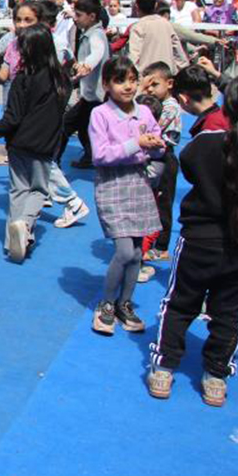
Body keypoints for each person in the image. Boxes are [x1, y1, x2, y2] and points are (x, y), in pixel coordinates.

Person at [147, 76, 238, 406]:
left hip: (199, 239)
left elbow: (191, 168)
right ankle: (216, 375)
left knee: (180, 303)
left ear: (226, 106)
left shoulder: (205, 144)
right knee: (229, 311)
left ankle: (164, 367)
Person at [0, 23, 69, 262]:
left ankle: (11, 240)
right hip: (45, 145)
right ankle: (24, 225)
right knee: (38, 189)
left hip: (18, 143)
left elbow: (12, 118)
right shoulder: (61, 80)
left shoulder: (22, 80)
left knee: (18, 190)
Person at [87, 56, 165, 335]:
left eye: (132, 80)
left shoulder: (144, 112)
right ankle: (106, 303)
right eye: (120, 81)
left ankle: (125, 303)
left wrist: (156, 145)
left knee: (136, 252)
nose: (128, 86)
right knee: (123, 250)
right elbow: (101, 154)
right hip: (112, 185)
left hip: (138, 183)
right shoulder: (100, 114)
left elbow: (158, 143)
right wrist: (136, 144)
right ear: (107, 84)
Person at [139, 62, 182, 264]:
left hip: (166, 156)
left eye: (154, 85)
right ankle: (148, 239)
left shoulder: (170, 107)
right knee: (152, 199)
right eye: (147, 86)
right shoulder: (158, 104)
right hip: (153, 155)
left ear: (169, 83)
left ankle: (162, 246)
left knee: (163, 203)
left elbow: (152, 125)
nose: (150, 90)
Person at [63, 0, 110, 169]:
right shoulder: (89, 32)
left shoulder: (95, 35)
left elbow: (97, 52)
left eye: (79, 15)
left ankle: (53, 161)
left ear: (91, 16)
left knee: (66, 126)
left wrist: (87, 65)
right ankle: (90, 156)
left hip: (95, 96)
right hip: (90, 95)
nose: (76, 18)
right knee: (84, 127)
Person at [128, 0, 189, 73]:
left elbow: (133, 58)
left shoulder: (137, 27)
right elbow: (180, 56)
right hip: (166, 77)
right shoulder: (166, 24)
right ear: (156, 5)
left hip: (147, 79)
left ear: (136, 6)